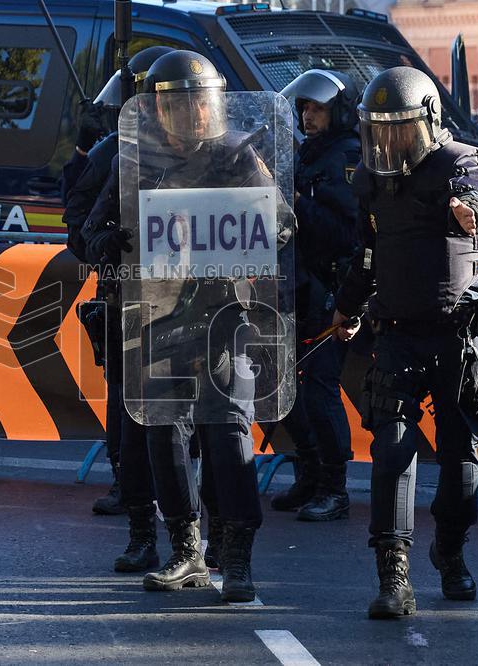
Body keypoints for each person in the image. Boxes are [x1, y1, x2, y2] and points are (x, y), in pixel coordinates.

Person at [85, 50, 290, 602]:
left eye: (202, 103)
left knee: (229, 433)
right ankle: (185, 550)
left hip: (224, 315)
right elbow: (87, 233)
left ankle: (237, 557)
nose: (194, 113)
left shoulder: (238, 154)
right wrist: (114, 240)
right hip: (159, 314)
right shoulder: (134, 160)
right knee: (163, 433)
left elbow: (283, 223)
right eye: (181, 104)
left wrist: (255, 235)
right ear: (159, 109)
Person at [333, 66, 478, 619]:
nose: (390, 141)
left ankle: (450, 552)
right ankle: (394, 576)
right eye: (380, 130)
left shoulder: (461, 162)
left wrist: (470, 213)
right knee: (391, 453)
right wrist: (346, 308)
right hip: (398, 334)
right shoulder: (371, 179)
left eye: (400, 129)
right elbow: (367, 254)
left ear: (427, 122)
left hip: (459, 337)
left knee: (460, 458)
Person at [62, 45, 174, 519]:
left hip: (186, 294)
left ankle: (179, 486)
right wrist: (109, 248)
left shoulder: (208, 151)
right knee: (127, 396)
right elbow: (80, 227)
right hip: (127, 292)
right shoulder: (115, 152)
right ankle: (129, 485)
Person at [267, 69, 360, 521]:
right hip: (298, 286)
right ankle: (308, 471)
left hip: (333, 291)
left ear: (338, 112)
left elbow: (347, 234)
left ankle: (334, 488)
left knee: (320, 387)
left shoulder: (348, 156)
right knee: (280, 385)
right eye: (304, 107)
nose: (307, 115)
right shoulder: (309, 152)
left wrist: (298, 204)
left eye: (317, 108)